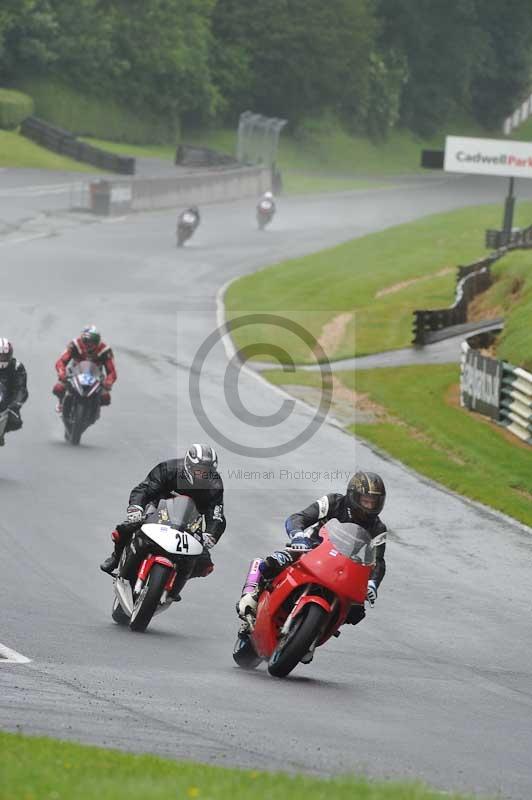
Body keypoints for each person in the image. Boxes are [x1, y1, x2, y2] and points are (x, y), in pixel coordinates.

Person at [237, 471, 387, 636]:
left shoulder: (378, 528)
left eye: (373, 502)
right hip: (312, 548)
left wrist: (373, 584)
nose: (369, 506)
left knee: (356, 610)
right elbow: (298, 518)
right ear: (353, 496)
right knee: (276, 561)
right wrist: (298, 536)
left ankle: (320, 631)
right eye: (365, 501)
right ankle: (253, 594)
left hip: (345, 566)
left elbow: (378, 561)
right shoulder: (333, 502)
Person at [100, 444, 226, 585]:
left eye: (207, 471)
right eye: (198, 470)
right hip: (159, 509)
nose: (202, 475)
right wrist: (136, 507)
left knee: (205, 564)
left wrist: (211, 534)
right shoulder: (169, 469)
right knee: (125, 529)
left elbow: (216, 514)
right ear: (188, 466)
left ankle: (175, 580)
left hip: (190, 521)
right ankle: (116, 558)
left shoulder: (215, 484)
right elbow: (145, 488)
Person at [53, 326, 116, 413]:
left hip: (96, 376)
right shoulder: (74, 345)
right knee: (58, 388)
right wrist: (62, 372)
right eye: (86, 341)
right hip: (75, 372)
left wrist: (109, 381)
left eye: (93, 342)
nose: (89, 345)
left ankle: (96, 408)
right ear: (82, 339)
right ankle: (61, 402)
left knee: (106, 399)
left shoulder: (105, 350)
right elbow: (61, 361)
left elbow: (112, 371)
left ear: (97, 342)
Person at [0, 338, 28, 446]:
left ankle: (1, 433)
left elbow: (21, 388)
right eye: (0, 355)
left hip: (8, 400)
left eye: (4, 356)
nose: (2, 358)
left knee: (16, 422)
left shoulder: (17, 367)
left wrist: (16, 403)